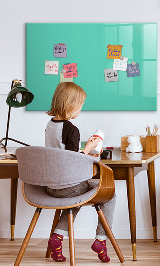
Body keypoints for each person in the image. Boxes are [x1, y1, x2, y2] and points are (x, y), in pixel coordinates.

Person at [45, 82, 115, 263]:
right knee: (110, 194)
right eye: (80, 106)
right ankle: (101, 240)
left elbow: (62, 154)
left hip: (51, 186)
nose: (80, 110)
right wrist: (90, 148)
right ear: (71, 105)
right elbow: (73, 161)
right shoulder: (71, 129)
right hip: (68, 186)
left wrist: (84, 150)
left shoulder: (50, 125)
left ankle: (57, 238)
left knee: (75, 197)